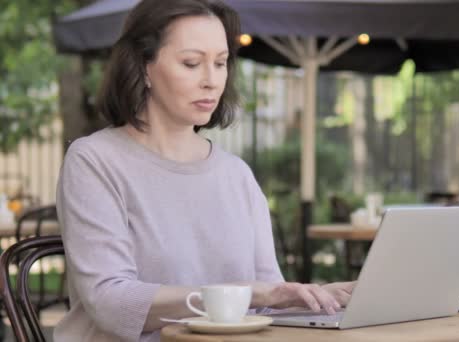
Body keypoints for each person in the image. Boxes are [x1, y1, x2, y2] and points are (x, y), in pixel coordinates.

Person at [54, 0, 355, 341]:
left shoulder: (236, 175)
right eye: (192, 63)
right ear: (143, 66)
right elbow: (111, 302)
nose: (212, 81)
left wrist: (316, 299)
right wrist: (254, 293)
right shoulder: (94, 161)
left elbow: (267, 302)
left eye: (221, 63)